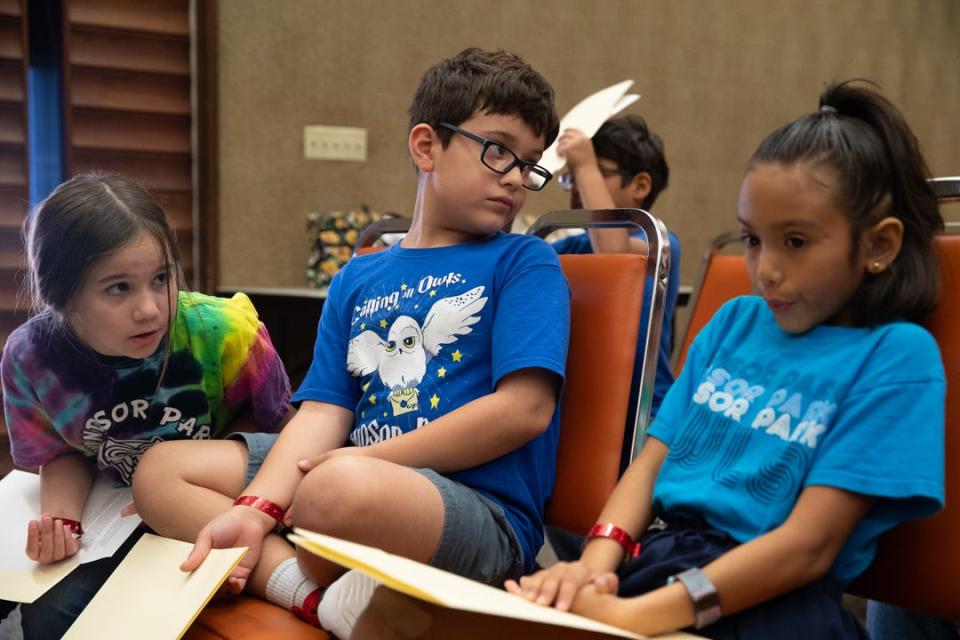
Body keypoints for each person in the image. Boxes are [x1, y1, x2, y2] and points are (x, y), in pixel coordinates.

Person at [357, 80, 947, 640]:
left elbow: (808, 547)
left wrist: (637, 615)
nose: (766, 268)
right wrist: (592, 564)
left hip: (763, 598)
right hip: (662, 562)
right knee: (394, 612)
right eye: (753, 239)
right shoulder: (735, 324)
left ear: (879, 245)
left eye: (795, 242)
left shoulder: (896, 357)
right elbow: (649, 466)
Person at [132, 47, 569, 636]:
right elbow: (325, 412)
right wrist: (258, 508)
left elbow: (525, 410)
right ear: (426, 146)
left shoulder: (527, 261)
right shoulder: (358, 276)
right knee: (158, 470)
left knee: (332, 491)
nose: (517, 178)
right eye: (498, 150)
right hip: (350, 472)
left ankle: (305, 544)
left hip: (475, 508)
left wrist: (355, 464)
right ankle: (313, 595)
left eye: (531, 164)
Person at [0, 173, 292, 639]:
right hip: (109, 516)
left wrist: (208, 509)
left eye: (161, 278)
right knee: (49, 615)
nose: (151, 309)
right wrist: (60, 521)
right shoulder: (32, 357)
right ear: (60, 294)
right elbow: (61, 452)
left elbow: (276, 434)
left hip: (210, 503)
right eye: (119, 288)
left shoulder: (225, 331)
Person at [550, 115, 679, 416]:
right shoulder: (575, 245)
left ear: (640, 185)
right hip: (587, 404)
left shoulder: (660, 242)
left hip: (644, 413)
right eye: (571, 178)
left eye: (596, 173)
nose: (578, 187)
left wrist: (584, 164)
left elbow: (615, 256)